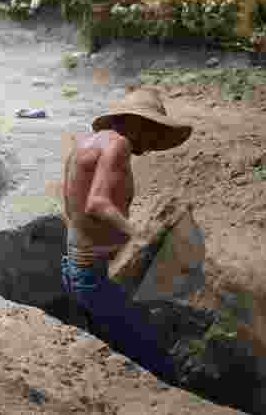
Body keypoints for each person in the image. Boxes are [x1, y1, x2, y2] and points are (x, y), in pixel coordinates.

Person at [59, 87, 192, 384]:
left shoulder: (87, 144)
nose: (154, 141)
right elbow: (97, 203)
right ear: (136, 123)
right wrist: (138, 234)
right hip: (91, 276)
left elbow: (73, 206)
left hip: (74, 268)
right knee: (154, 357)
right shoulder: (118, 145)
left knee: (110, 347)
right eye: (152, 130)